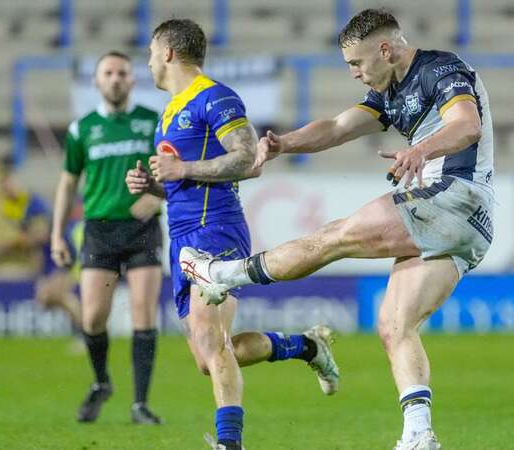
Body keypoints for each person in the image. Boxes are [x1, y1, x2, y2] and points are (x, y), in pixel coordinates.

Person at [180, 8, 495, 450]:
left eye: (356, 63)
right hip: (469, 228)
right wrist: (283, 144)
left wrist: (420, 149)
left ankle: (224, 276)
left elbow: (467, 125)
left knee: (335, 237)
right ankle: (419, 435)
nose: (354, 74)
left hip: (453, 197)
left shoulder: (440, 69)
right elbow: (337, 128)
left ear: (385, 50)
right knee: (394, 325)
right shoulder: (389, 91)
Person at [124, 19, 340, 450]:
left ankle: (230, 443)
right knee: (209, 359)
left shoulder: (215, 96)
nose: (147, 61)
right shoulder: (169, 112)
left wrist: (181, 169)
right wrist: (155, 186)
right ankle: (306, 346)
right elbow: (182, 185)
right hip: (182, 236)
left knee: (211, 340)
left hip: (216, 228)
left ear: (168, 52)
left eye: (150, 52)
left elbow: (246, 159)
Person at [50, 50, 165, 425]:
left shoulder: (152, 122)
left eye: (122, 73)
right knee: (93, 317)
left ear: (132, 80)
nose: (115, 78)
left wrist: (154, 195)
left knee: (142, 313)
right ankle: (102, 383)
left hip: (142, 230)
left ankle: (140, 404)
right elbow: (68, 183)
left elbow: (169, 169)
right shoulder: (81, 130)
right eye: (108, 73)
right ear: (98, 82)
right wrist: (57, 235)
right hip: (99, 230)